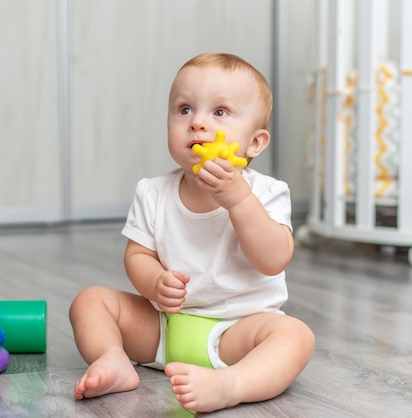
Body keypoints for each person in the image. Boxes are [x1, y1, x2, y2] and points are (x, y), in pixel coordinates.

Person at [69, 52, 315, 413]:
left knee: (295, 337)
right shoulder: (152, 192)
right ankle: (113, 359)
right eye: (184, 109)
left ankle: (232, 384)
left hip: (237, 330)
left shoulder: (266, 193)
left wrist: (239, 200)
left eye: (219, 112)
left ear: (255, 143)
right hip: (164, 327)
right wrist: (155, 283)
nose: (198, 123)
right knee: (90, 301)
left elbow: (274, 259)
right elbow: (138, 256)